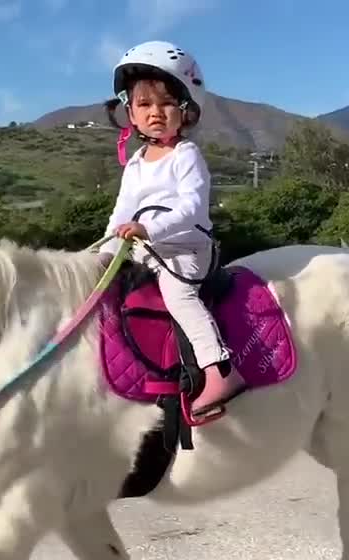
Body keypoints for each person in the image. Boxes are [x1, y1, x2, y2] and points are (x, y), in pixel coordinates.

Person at [96, 41, 247, 419]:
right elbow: (122, 212)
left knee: (178, 295)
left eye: (166, 103)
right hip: (147, 253)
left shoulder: (186, 155)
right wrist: (104, 253)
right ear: (130, 112)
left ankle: (219, 369)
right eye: (144, 105)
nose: (156, 113)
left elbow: (191, 209)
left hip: (187, 251)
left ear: (186, 110)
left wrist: (147, 228)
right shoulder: (136, 163)